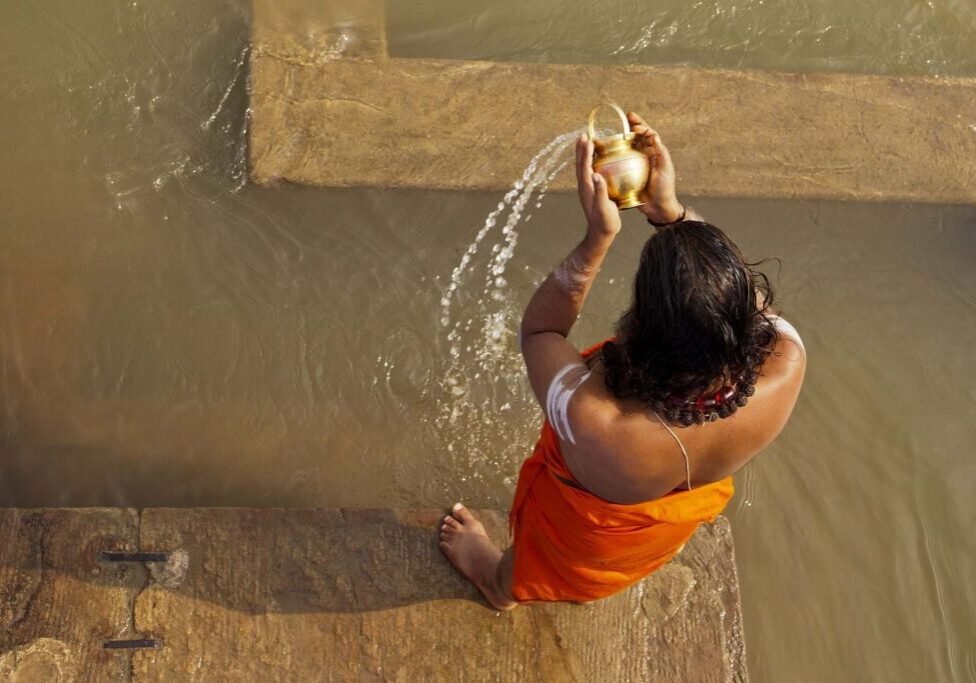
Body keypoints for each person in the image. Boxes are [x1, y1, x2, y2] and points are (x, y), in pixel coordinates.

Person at [439, 112, 806, 609]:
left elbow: (541, 331)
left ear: (643, 324)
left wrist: (597, 239)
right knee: (623, 556)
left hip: (583, 534)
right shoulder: (786, 361)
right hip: (659, 529)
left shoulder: (601, 422)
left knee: (535, 564)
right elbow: (733, 297)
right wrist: (669, 211)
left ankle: (496, 583)